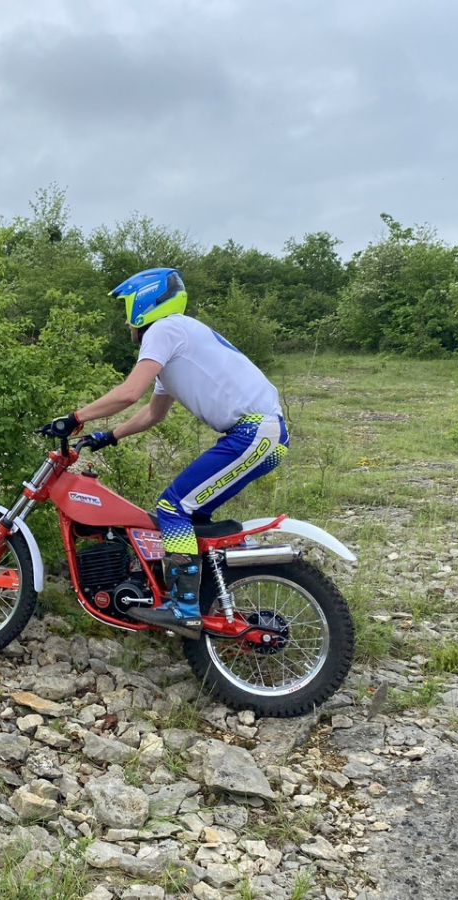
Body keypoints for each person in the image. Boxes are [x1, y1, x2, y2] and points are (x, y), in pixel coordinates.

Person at [39, 267, 288, 638]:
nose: (127, 321)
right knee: (192, 516)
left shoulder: (164, 330)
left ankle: (184, 608)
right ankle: (203, 595)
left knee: (173, 507)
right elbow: (153, 412)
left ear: (145, 303)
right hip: (261, 435)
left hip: (254, 433)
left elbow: (129, 393)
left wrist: (75, 418)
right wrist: (109, 436)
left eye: (127, 308)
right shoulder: (176, 341)